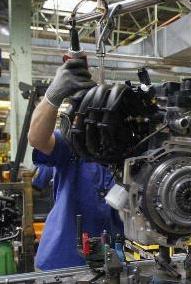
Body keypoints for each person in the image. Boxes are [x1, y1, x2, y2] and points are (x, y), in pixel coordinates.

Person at [28, 59, 123, 271]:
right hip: (62, 260)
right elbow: (37, 138)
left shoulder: (126, 152)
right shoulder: (72, 143)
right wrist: (53, 96)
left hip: (111, 260)